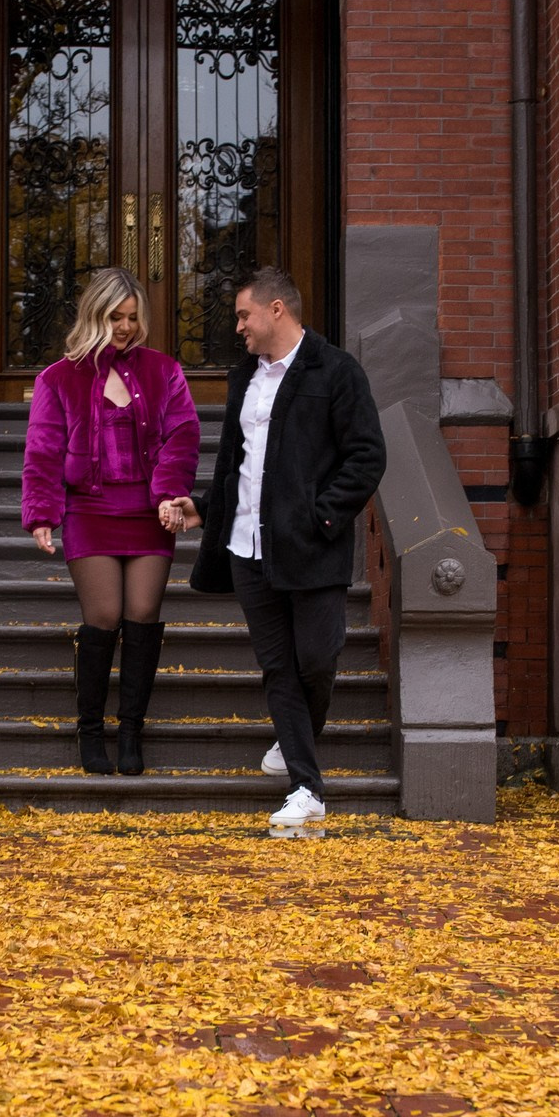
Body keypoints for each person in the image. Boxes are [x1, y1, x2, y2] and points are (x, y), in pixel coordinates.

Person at [161, 268, 385, 838]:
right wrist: (205, 507)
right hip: (246, 545)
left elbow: (365, 456)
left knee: (317, 657)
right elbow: (240, 465)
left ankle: (294, 742)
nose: (238, 327)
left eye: (244, 316)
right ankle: (306, 790)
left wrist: (321, 516)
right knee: (279, 667)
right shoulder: (245, 378)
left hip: (310, 545)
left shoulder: (335, 372)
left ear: (278, 310)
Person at [21, 268, 202, 775]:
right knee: (103, 617)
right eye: (114, 317)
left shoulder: (163, 370)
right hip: (90, 511)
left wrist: (170, 494)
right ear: (94, 315)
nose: (125, 327)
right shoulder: (58, 377)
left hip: (149, 513)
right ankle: (90, 733)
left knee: (142, 614)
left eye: (131, 317)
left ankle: (130, 733)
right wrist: (41, 513)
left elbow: (183, 436)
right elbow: (43, 449)